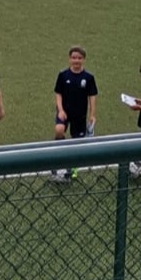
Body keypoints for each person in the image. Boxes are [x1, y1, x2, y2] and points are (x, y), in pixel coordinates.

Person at [53, 45, 98, 180]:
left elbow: (92, 96)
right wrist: (60, 110)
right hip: (65, 112)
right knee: (59, 129)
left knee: (76, 140)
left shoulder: (88, 78)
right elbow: (58, 93)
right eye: (73, 58)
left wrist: (92, 114)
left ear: (83, 59)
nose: (76, 61)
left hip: (80, 114)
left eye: (79, 58)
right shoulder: (63, 75)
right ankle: (59, 155)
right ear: (69, 59)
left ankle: (73, 166)